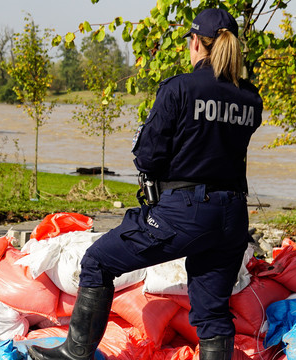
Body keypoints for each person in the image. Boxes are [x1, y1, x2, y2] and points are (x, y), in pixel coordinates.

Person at [28, 8, 263, 360]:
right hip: (231, 216)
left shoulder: (179, 88)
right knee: (212, 311)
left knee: (97, 262)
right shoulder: (250, 98)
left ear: (196, 42)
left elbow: (148, 155)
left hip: (185, 210)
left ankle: (75, 354)